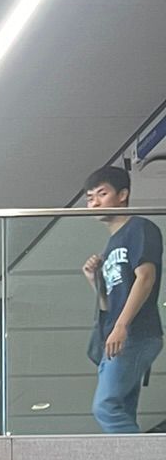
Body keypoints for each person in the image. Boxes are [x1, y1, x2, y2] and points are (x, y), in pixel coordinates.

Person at [82, 161, 163, 433]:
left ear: (123, 194)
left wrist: (121, 326)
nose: (94, 203)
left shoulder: (139, 228)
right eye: (90, 198)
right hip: (117, 336)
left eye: (101, 194)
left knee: (105, 406)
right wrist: (96, 281)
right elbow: (110, 302)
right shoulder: (112, 243)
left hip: (135, 333)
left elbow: (146, 278)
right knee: (121, 408)